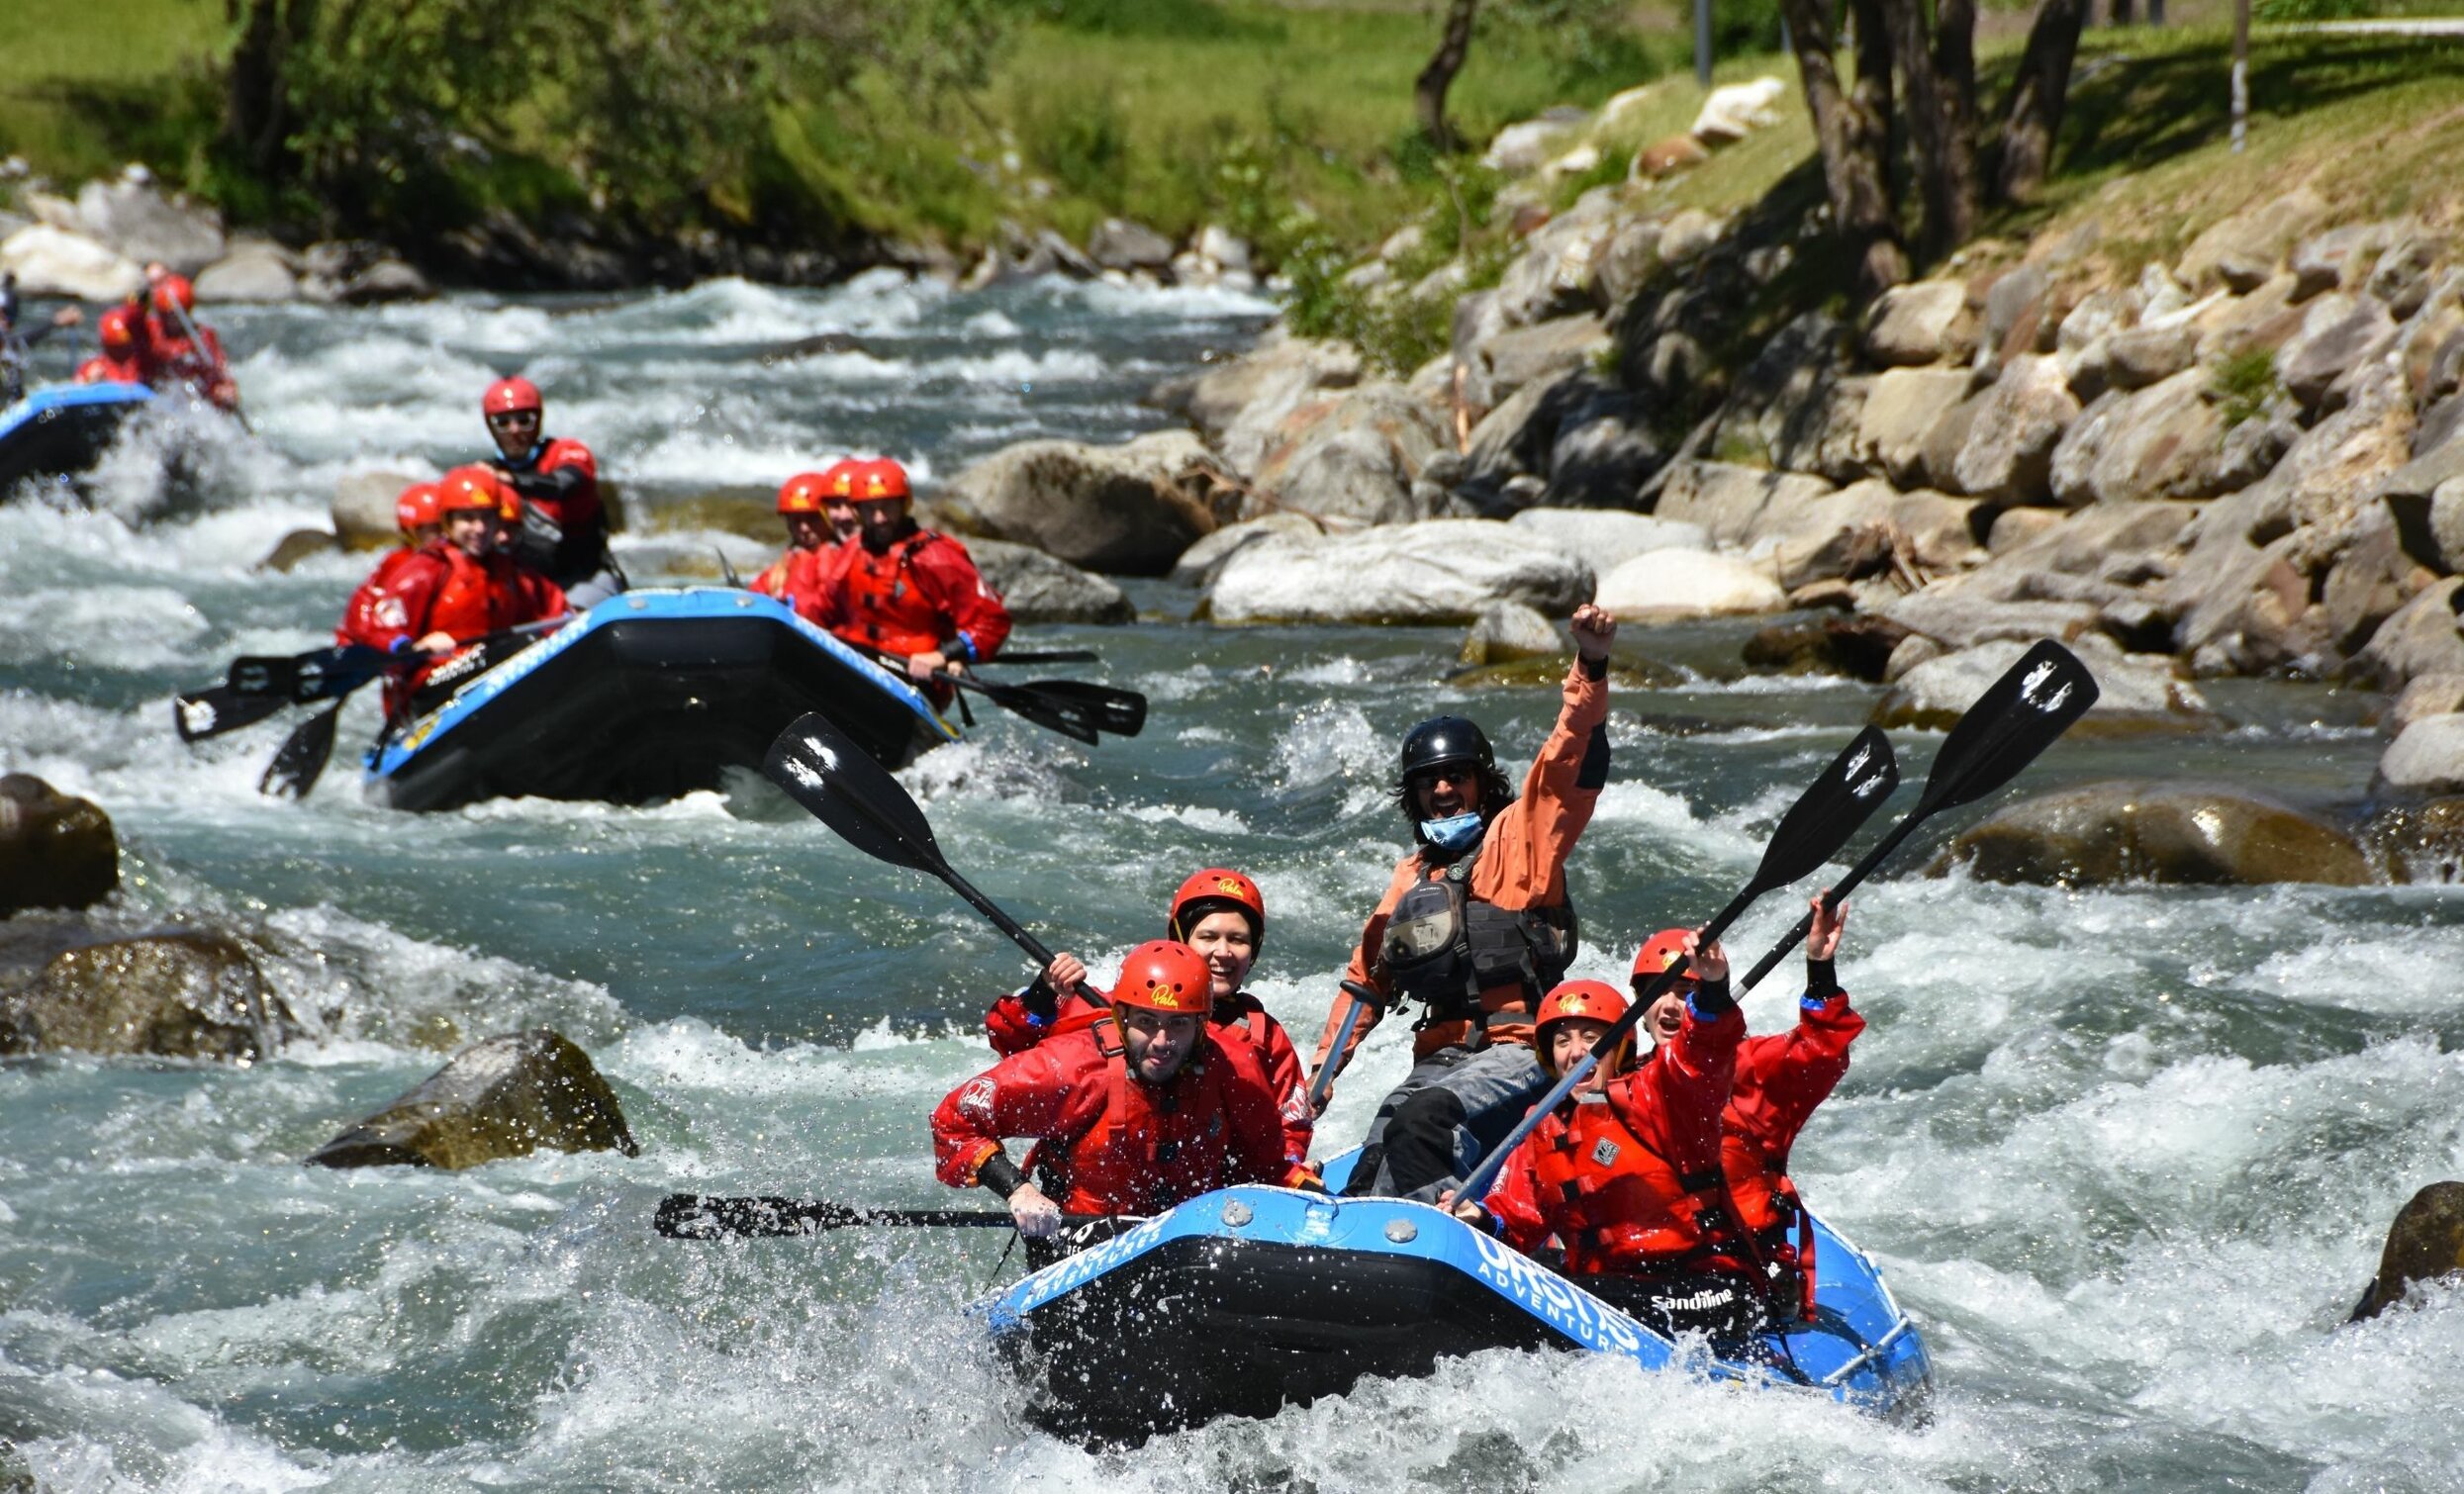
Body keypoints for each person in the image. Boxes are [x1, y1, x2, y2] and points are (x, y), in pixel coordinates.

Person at [1312, 603, 1618, 1202]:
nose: (1444, 790)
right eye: (1430, 781)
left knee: (1424, 1119)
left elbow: (1566, 760)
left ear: (1483, 782)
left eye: (1457, 776)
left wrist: (1592, 663)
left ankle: (1456, 1225)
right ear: (1416, 797)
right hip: (1442, 1057)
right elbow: (1363, 989)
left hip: (1520, 1052)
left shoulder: (1522, 838)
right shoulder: (1410, 880)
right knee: (1375, 1161)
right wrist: (1317, 1083)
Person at [1447, 934, 1769, 1342]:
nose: (1576, 1052)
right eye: (1563, 1041)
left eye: (1591, 1040)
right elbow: (1517, 1213)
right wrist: (1481, 1218)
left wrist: (1714, 990)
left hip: (1706, 1284)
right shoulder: (1542, 1125)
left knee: (1574, 1296)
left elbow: (1702, 1057)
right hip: (1609, 1284)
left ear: (1619, 1051)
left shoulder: (1657, 1096)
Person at [932, 940, 1322, 1247]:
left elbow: (1264, 1164)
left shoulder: (1235, 1069)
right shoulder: (1071, 1067)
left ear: (1202, 1025)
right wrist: (1019, 1191)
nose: (1162, 1042)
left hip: (1190, 1239)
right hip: (1079, 1240)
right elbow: (955, 1120)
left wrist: (1298, 1186)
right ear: (1122, 1018)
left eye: (1179, 1025)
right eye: (1147, 1022)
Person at [984, 869, 1314, 1170]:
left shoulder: (1262, 1036)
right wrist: (1042, 994)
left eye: (1238, 939)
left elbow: (1289, 1129)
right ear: (1179, 938)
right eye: (1208, 937)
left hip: (1197, 1198)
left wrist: (1287, 1173)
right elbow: (1015, 1050)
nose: (1223, 952)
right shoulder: (1119, 1009)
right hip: (1091, 1195)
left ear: (1254, 949)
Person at [352, 466, 566, 718]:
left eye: (487, 518)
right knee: (522, 646)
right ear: (448, 521)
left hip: (488, 672)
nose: (479, 528)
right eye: (468, 518)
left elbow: (553, 609)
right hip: (430, 684)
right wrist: (410, 646)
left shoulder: (509, 571)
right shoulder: (426, 569)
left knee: (530, 645)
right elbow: (372, 630)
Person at [819, 456, 1010, 701]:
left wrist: (946, 655)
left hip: (915, 681)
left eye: (887, 506)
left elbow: (993, 621)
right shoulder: (850, 553)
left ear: (904, 504)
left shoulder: (936, 558)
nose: (879, 518)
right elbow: (820, 610)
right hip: (856, 668)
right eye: (870, 508)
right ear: (858, 512)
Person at [478, 376, 620, 607]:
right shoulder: (485, 472)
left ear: (538, 421)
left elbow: (564, 483)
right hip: (525, 585)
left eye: (524, 420)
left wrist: (511, 480)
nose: (514, 430)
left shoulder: (567, 452)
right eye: (503, 422)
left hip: (583, 578)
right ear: (490, 427)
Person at [334, 482, 441, 650]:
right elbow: (366, 615)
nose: (444, 534)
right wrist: (397, 644)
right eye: (436, 528)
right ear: (413, 531)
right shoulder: (399, 563)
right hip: (373, 649)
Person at [750, 464, 856, 623]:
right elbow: (756, 592)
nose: (804, 528)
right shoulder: (787, 560)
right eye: (796, 520)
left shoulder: (832, 556)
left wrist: (785, 606)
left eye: (812, 518)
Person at [142, 271, 238, 412]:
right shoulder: (149, 329)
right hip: (154, 391)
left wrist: (226, 390)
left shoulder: (202, 337)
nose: (172, 320)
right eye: (166, 315)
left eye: (175, 315)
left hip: (189, 396)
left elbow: (219, 369)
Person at [0, 273, 85, 405]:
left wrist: (56, 322)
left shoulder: (10, 346)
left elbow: (16, 340)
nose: (4, 323)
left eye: (7, 317)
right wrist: (56, 321)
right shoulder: (11, 342)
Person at [73, 304, 150, 386]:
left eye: (127, 347)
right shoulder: (94, 367)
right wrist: (90, 383)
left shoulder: (142, 363)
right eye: (117, 348)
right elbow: (76, 388)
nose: (122, 353)